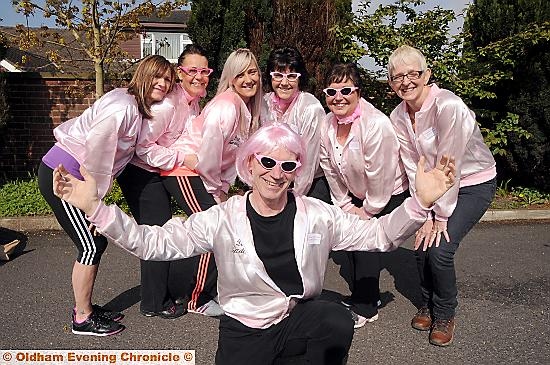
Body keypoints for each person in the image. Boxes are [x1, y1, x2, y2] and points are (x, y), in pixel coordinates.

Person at [52, 123, 455, 364]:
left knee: (334, 320)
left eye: (288, 165)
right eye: (266, 161)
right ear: (248, 164)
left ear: (296, 172)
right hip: (243, 331)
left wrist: (420, 203)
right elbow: (151, 243)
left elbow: (381, 236)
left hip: (294, 317)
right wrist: (99, 210)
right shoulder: (222, 218)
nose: (276, 173)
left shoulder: (317, 213)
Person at [37, 55, 175, 336]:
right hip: (66, 175)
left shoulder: (134, 106)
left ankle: (85, 307)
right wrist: (94, 204)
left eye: (168, 80)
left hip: (74, 175)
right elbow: (98, 154)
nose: (163, 83)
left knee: (95, 242)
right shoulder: (123, 107)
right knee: (90, 245)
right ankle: (82, 318)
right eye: (158, 76)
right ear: (143, 75)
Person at [387, 45, 497, 347]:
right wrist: (423, 209)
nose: (406, 81)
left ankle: (446, 313)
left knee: (440, 249)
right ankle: (427, 303)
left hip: (472, 183)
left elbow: (451, 165)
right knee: (421, 245)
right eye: (398, 77)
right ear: (391, 84)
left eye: (413, 74)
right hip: (434, 189)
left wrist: (439, 215)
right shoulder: (398, 116)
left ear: (427, 75)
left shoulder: (448, 106)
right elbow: (413, 166)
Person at [160, 48, 262, 316]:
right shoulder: (226, 107)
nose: (248, 79)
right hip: (185, 171)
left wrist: (224, 189)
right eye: (240, 74)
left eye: (252, 72)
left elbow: (231, 156)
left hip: (201, 174)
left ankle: (208, 289)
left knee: (221, 226)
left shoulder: (244, 107)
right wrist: (215, 190)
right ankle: (197, 299)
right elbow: (208, 157)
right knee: (213, 227)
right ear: (230, 77)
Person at [116, 45, 207, 319]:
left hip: (159, 170)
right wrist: (181, 157)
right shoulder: (169, 105)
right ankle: (154, 303)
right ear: (180, 73)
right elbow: (143, 147)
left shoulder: (194, 101)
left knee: (161, 230)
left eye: (204, 71)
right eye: (192, 71)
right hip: (140, 171)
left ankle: (157, 295)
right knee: (156, 233)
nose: (199, 76)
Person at [319, 62, 410, 328]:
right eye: (331, 92)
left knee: (367, 243)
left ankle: (367, 307)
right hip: (355, 192)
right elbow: (329, 166)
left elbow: (380, 174)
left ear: (358, 92)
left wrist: (368, 211)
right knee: (349, 240)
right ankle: (362, 294)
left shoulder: (375, 124)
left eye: (346, 90)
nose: (338, 98)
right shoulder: (327, 124)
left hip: (388, 192)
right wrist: (345, 204)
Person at [261, 46, 328, 200]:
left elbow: (308, 165)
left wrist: (291, 198)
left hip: (308, 183)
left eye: (291, 76)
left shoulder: (310, 108)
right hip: (274, 177)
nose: (284, 82)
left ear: (300, 78)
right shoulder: (264, 103)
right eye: (278, 75)